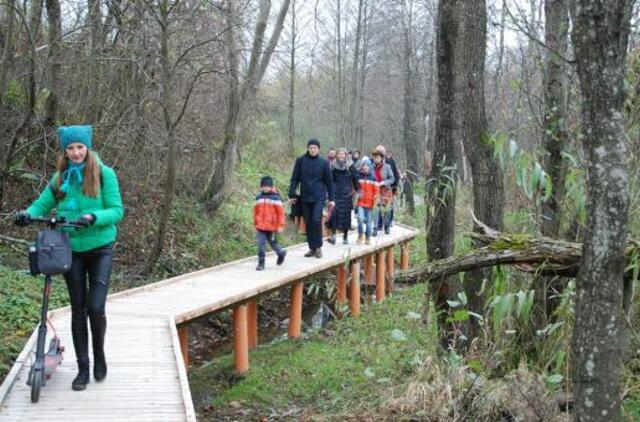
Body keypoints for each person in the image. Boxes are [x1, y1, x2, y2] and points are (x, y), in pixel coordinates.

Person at [14, 125, 124, 391]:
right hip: (71, 250)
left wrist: (93, 217)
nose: (75, 153)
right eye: (70, 148)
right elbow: (41, 204)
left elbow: (117, 210)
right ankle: (83, 368)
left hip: (100, 248)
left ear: (88, 147)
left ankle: (99, 356)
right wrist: (27, 213)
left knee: (96, 307)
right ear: (65, 150)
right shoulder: (60, 178)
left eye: (80, 147)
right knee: (78, 309)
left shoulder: (104, 174)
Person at [288, 139, 335, 258]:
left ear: (318, 149)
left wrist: (332, 199)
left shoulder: (324, 163)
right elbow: (294, 179)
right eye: (311, 148)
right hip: (305, 197)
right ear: (308, 148)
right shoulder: (300, 161)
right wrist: (292, 194)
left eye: (315, 148)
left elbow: (329, 182)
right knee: (308, 223)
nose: (313, 150)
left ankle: (318, 247)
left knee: (315, 220)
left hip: (319, 197)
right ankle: (312, 248)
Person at [253, 176, 287, 271]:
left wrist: (280, 225)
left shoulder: (276, 198)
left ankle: (281, 253)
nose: (265, 188)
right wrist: (255, 223)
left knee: (273, 243)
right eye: (263, 186)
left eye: (268, 186)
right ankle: (261, 264)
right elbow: (256, 212)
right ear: (261, 187)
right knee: (261, 245)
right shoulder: (258, 197)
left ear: (271, 187)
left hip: (272, 227)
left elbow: (281, 214)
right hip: (260, 226)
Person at [327, 148, 358, 245]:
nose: (341, 156)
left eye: (343, 154)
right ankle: (333, 236)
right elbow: (330, 180)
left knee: (346, 215)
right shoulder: (332, 165)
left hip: (346, 193)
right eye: (339, 154)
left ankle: (345, 237)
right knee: (334, 213)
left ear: (345, 155)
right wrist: (329, 191)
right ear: (337, 155)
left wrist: (357, 190)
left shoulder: (350, 165)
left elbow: (355, 178)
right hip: (336, 192)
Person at [375, 145, 400, 229]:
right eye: (378, 151)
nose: (380, 153)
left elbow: (395, 174)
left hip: (389, 187)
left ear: (384, 152)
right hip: (378, 188)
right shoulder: (374, 161)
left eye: (381, 152)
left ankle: (389, 223)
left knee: (389, 206)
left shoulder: (390, 160)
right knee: (378, 206)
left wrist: (395, 187)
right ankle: (379, 224)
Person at [354, 161, 379, 244]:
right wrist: (356, 194)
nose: (365, 169)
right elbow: (355, 188)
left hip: (370, 204)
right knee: (360, 219)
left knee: (369, 222)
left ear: (369, 167)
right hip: (360, 203)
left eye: (366, 167)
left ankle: (368, 237)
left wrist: (375, 204)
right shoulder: (358, 177)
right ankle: (360, 234)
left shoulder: (373, 178)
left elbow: (376, 192)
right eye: (363, 168)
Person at [371, 150, 395, 236]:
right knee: (375, 209)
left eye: (378, 158)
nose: (376, 159)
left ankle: (387, 226)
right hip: (376, 191)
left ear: (381, 158)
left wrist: (384, 182)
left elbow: (392, 179)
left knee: (387, 211)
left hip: (386, 191)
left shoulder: (387, 167)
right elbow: (370, 178)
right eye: (375, 158)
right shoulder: (371, 167)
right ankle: (374, 228)